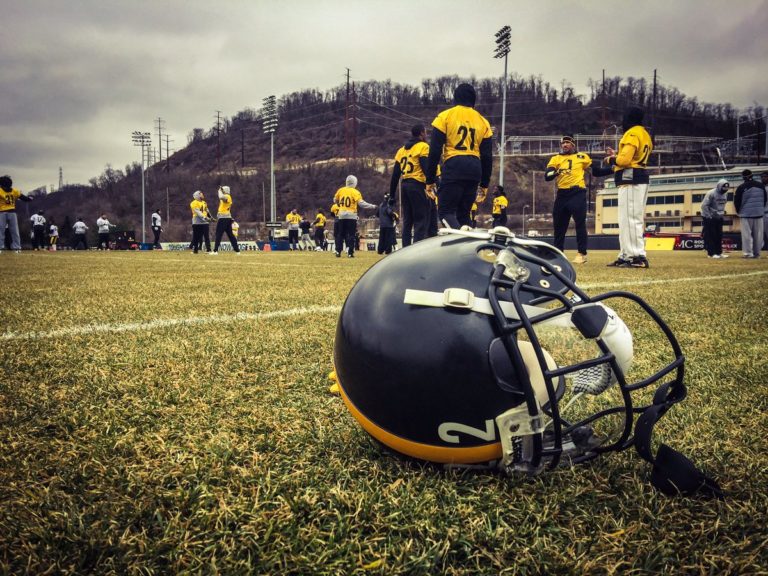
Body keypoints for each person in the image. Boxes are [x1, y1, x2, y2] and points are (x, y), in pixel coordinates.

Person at [424, 83, 493, 229]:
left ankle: (462, 240)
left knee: (445, 212)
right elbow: (487, 156)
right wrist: (485, 184)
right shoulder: (483, 122)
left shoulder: (445, 116)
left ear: (455, 98)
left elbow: (435, 151)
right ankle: (467, 247)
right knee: (464, 215)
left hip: (454, 165)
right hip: (475, 168)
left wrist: (430, 180)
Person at [605, 106, 653, 268]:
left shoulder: (632, 133)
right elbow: (631, 155)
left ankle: (636, 256)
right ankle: (626, 254)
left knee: (630, 218)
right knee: (627, 219)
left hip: (631, 178)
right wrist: (617, 155)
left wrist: (612, 159)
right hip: (638, 177)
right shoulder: (644, 133)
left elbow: (624, 160)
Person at [545, 135, 603, 264]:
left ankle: (581, 254)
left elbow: (597, 171)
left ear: (573, 145)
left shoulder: (582, 157)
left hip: (577, 192)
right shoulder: (556, 158)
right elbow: (547, 176)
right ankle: (558, 254)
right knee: (559, 226)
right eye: (563, 143)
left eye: (567, 143)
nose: (565, 145)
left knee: (580, 223)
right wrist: (555, 172)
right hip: (562, 194)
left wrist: (614, 168)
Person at [390, 124, 431, 247]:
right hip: (417, 185)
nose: (426, 134)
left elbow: (395, 175)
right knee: (420, 220)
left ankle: (405, 250)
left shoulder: (401, 150)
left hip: (405, 186)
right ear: (421, 133)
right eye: (425, 132)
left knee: (408, 221)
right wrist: (433, 183)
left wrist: (392, 195)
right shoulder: (423, 146)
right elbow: (425, 168)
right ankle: (417, 251)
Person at [333, 175, 376, 258]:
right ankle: (350, 252)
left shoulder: (341, 190)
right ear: (354, 182)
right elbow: (361, 204)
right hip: (351, 215)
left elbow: (335, 199)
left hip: (341, 215)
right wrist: (373, 206)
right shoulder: (355, 192)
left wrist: (338, 204)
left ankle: (338, 251)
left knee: (340, 234)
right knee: (351, 234)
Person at [734, 169, 766, 258]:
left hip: (746, 214)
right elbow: (764, 200)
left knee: (746, 235)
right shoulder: (761, 186)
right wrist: (760, 209)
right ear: (752, 175)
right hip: (759, 213)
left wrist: (738, 211)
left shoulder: (741, 187)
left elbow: (737, 201)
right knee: (758, 236)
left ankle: (748, 253)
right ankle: (757, 253)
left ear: (743, 177)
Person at [0, 175, 32, 253]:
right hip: (12, 213)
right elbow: (23, 198)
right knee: (15, 231)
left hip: (2, 213)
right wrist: (30, 198)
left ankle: (0, 247)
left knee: (1, 231)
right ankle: (17, 247)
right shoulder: (14, 191)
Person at [700, 179, 730, 259]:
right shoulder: (711, 193)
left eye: (726, 189)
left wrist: (720, 214)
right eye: (723, 188)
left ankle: (719, 252)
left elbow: (722, 205)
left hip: (719, 217)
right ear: (719, 186)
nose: (725, 190)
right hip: (708, 217)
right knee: (711, 235)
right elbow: (704, 206)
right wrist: (709, 216)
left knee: (719, 235)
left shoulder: (725, 194)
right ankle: (711, 253)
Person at [210, 185, 241, 255]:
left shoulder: (227, 196)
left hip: (223, 218)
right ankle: (237, 250)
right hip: (226, 218)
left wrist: (219, 191)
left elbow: (220, 197)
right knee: (230, 235)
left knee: (218, 234)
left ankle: (215, 251)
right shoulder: (227, 196)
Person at [762, 171, 768, 250]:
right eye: (762, 177)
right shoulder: (761, 187)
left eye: (765, 176)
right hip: (763, 214)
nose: (763, 178)